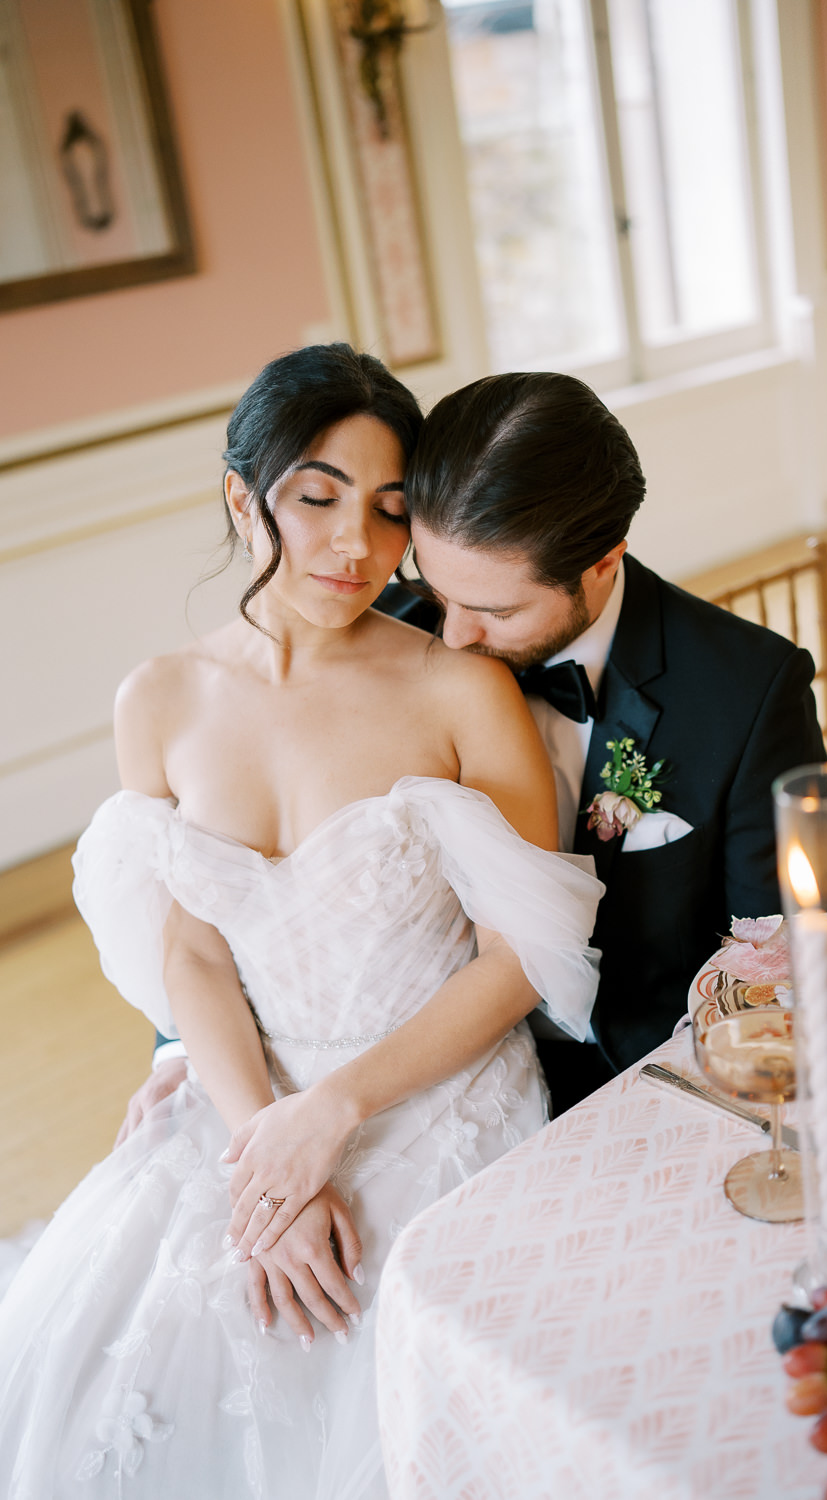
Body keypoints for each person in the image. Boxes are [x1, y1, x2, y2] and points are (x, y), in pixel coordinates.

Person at [0, 346, 602, 1498]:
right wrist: (260, 1155)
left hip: (435, 1088)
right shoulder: (160, 700)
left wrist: (333, 1113)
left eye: (387, 511)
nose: (358, 549)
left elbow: (523, 956)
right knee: (141, 1356)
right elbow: (191, 949)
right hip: (247, 1098)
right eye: (316, 499)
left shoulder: (460, 692)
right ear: (244, 497)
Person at [379, 371, 827, 1113]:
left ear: (603, 560)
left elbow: (779, 950)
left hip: (641, 1078)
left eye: (496, 609)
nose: (454, 637)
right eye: (436, 591)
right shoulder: (388, 638)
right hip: (426, 1079)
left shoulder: (747, 690)